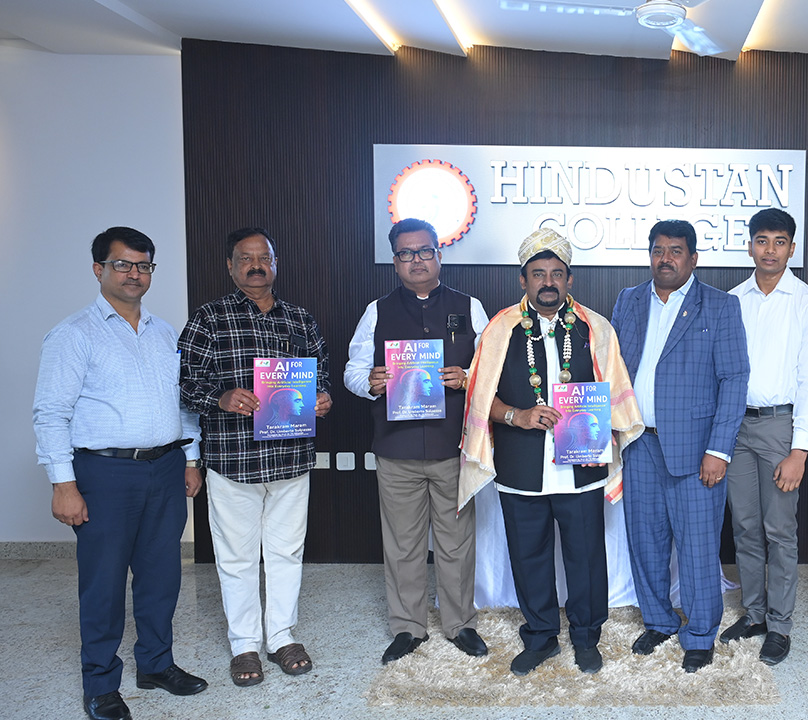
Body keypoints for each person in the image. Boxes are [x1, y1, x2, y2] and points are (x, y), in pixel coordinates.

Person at [34, 227, 208, 720]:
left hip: (166, 468)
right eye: (123, 264)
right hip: (104, 474)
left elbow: (184, 404)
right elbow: (51, 413)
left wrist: (190, 459)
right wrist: (63, 484)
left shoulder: (165, 333)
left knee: (161, 576)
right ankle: (100, 683)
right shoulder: (73, 334)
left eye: (143, 265)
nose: (134, 274)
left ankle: (156, 664)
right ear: (99, 269)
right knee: (104, 583)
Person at [460, 228, 643, 676]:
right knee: (529, 557)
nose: (548, 282)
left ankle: (586, 636)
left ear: (569, 279)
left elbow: (615, 391)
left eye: (557, 274)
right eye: (538, 273)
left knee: (586, 557)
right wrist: (516, 416)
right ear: (523, 279)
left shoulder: (594, 328)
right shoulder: (499, 329)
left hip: (582, 465)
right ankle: (541, 637)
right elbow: (479, 397)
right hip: (521, 464)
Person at [179, 227, 331, 686]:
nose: (256, 265)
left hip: (291, 459)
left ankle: (281, 636)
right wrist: (221, 397)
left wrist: (322, 397)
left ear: (275, 264)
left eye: (263, 257)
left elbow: (320, 374)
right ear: (230, 266)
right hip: (234, 460)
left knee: (287, 551)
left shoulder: (300, 319)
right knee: (236, 557)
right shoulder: (209, 318)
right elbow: (184, 383)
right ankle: (244, 644)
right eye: (245, 258)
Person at [344, 218, 490, 665]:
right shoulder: (377, 310)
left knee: (456, 541)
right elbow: (352, 372)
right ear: (395, 261)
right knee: (403, 544)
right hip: (397, 449)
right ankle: (408, 627)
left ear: (439, 255)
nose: (417, 260)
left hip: (454, 447)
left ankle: (460, 624)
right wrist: (370, 382)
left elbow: (492, 369)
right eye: (406, 254)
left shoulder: (470, 307)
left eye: (425, 251)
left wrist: (468, 377)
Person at [611, 219, 749, 672]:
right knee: (645, 541)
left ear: (693, 258)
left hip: (696, 450)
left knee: (698, 546)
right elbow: (612, 369)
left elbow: (734, 380)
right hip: (638, 444)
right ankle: (658, 620)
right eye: (658, 250)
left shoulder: (720, 305)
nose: (665, 258)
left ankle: (700, 633)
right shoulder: (629, 300)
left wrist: (719, 450)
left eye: (675, 251)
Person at [720, 208, 808, 666]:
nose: (770, 250)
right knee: (744, 527)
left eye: (779, 241)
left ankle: (780, 625)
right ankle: (754, 614)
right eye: (762, 240)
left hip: (781, 427)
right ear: (749, 246)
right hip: (735, 426)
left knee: (779, 530)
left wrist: (800, 449)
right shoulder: (732, 300)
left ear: (792, 248)